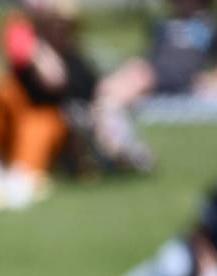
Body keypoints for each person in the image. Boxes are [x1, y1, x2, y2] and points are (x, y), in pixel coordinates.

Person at [0, 0, 98, 207]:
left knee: (39, 123)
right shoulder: (32, 54)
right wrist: (34, 49)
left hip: (58, 123)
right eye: (52, 25)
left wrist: (41, 54)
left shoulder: (77, 62)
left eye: (63, 26)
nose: (57, 31)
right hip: (19, 120)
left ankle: (23, 176)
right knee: (0, 88)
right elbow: (11, 59)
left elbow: (55, 82)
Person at [93, 0, 217, 168]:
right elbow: (151, 54)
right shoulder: (163, 25)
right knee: (109, 90)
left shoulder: (209, 26)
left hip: (178, 76)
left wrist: (209, 77)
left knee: (110, 91)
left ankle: (118, 142)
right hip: (154, 72)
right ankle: (124, 145)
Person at [103, 186, 217, 276]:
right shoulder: (213, 203)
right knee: (172, 270)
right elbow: (199, 235)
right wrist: (205, 264)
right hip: (194, 254)